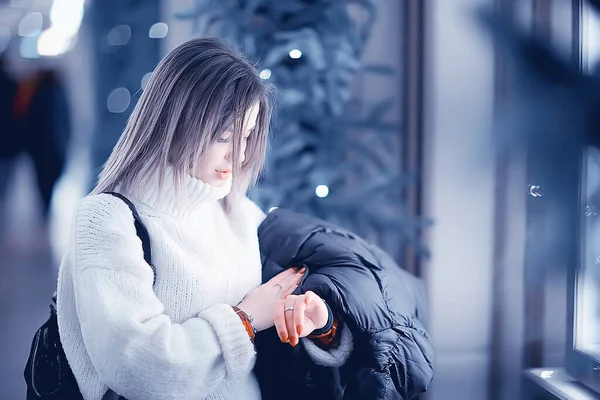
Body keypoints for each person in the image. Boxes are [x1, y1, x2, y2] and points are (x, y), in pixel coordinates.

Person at [56, 38, 341, 400]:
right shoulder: (108, 219)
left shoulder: (233, 209)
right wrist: (246, 318)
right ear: (175, 126)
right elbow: (140, 366)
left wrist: (318, 321)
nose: (239, 155)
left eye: (248, 135)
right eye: (224, 137)